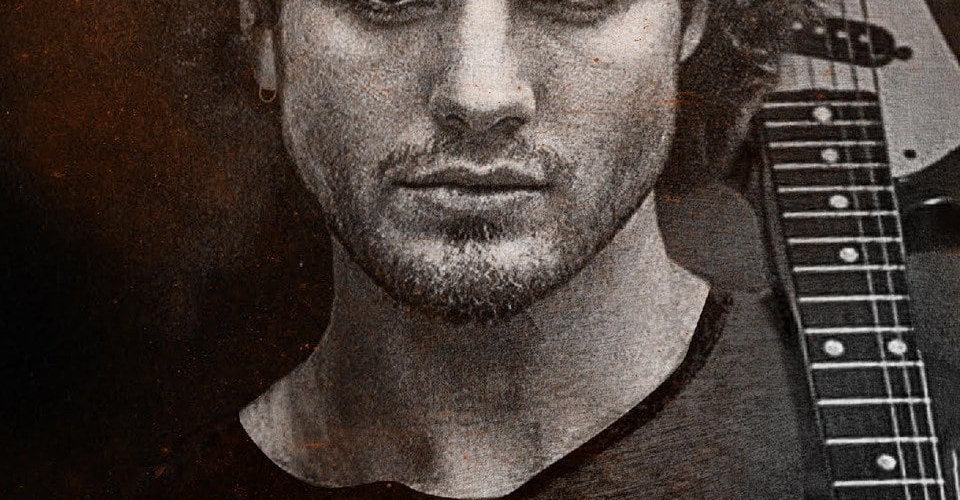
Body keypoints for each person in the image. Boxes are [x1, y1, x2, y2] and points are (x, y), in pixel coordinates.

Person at [130, 0, 960, 498]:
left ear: (691, 22)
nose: (480, 93)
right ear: (263, 31)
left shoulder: (934, 394)